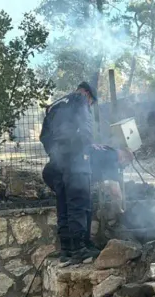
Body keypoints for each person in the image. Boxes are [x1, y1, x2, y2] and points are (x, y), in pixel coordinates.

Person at [40, 82, 100, 264]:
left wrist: (55, 154)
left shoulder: (54, 105)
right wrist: (84, 151)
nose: (89, 106)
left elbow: (44, 136)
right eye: (91, 103)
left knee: (63, 205)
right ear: (88, 95)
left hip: (57, 162)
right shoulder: (80, 100)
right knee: (78, 203)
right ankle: (79, 249)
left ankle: (66, 250)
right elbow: (86, 128)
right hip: (75, 159)